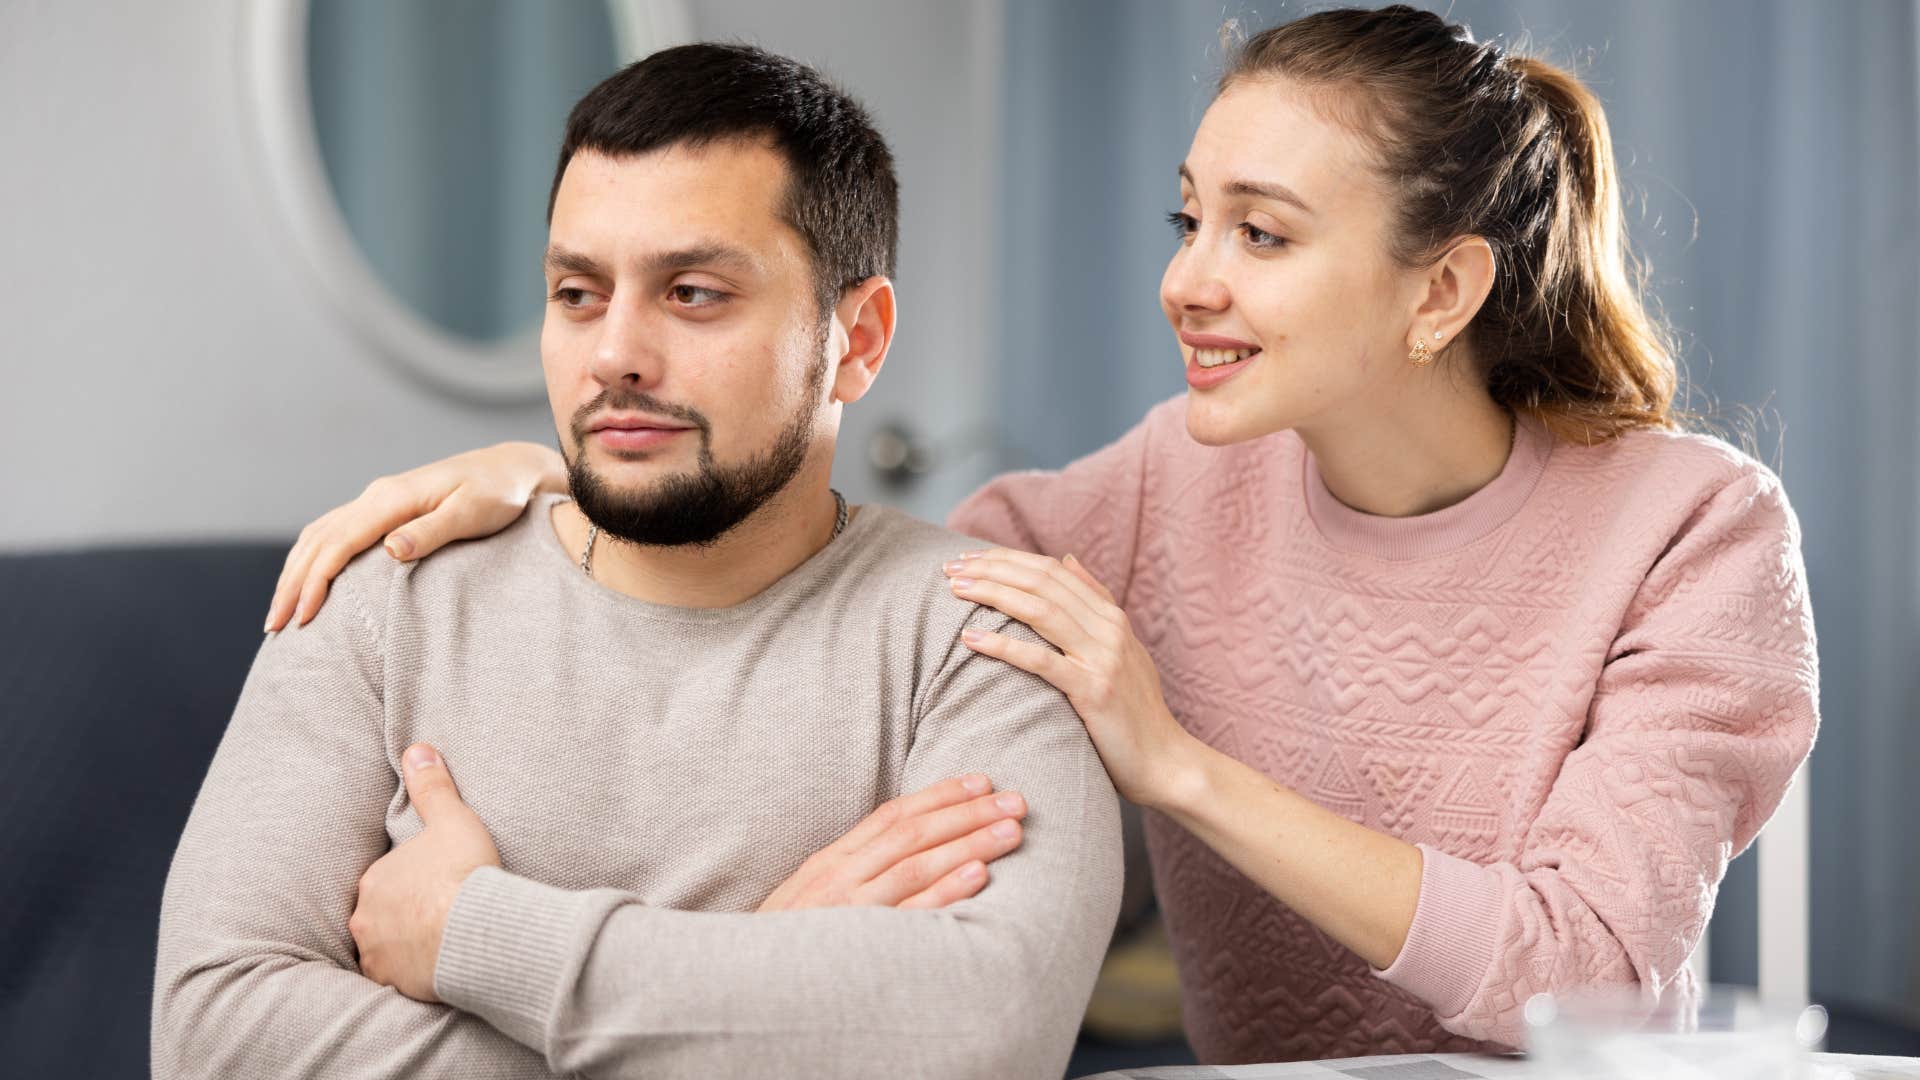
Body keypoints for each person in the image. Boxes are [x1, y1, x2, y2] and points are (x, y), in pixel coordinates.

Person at [267, 5, 1820, 1064]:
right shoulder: (1163, 489)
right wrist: (575, 479)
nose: (1188, 280)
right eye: (1188, 219)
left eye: (1261, 235)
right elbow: (840, 570)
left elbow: (1591, 968)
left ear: (1443, 291)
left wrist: (1182, 768)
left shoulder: (1693, 527)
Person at [155, 43, 1122, 1080]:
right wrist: (764, 984)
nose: (614, 352)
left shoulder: (986, 635)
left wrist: (476, 938)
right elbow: (215, 1036)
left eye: (693, 292)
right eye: (577, 291)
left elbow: (985, 1034)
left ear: (861, 337)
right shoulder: (385, 593)